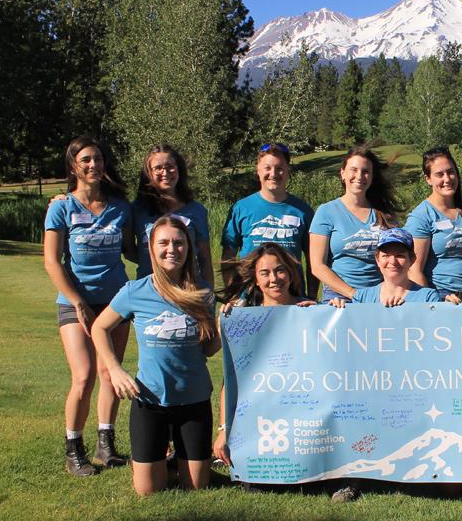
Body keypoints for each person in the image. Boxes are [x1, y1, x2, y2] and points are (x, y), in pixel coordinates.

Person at [90, 216, 221, 496]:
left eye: (179, 243)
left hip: (194, 400)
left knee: (197, 486)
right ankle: (162, 461)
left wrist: (222, 328)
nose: (172, 249)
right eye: (164, 243)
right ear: (151, 248)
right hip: (150, 401)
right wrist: (114, 370)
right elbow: (99, 327)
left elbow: (208, 350)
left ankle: (177, 460)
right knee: (148, 491)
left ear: (188, 248)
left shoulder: (203, 293)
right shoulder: (134, 291)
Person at [43, 136, 133, 476]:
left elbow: (132, 250)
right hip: (75, 301)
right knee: (83, 377)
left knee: (110, 373)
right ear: (73, 166)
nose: (94, 165)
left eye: (98, 159)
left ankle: (105, 445)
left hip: (115, 301)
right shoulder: (61, 207)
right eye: (86, 160)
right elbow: (52, 261)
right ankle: (73, 449)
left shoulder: (120, 208)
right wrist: (78, 302)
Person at [212, 243, 316, 470]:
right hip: (263, 416)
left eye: (280, 270)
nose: (274, 279)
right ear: (256, 280)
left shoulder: (311, 310)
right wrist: (224, 430)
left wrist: (333, 311)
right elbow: (231, 382)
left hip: (305, 413)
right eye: (265, 273)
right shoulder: (243, 317)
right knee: (256, 483)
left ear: (290, 273)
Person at [220, 143, 316, 300]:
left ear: (288, 170)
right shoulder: (241, 208)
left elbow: (313, 261)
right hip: (249, 300)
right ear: (258, 170)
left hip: (293, 299)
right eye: (267, 168)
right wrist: (233, 297)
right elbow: (228, 258)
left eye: (279, 168)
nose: (273, 174)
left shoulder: (303, 211)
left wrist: (311, 297)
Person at [309, 146, 402, 302]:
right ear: (342, 173)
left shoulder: (385, 214)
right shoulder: (326, 211)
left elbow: (398, 259)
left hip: (379, 297)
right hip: (338, 299)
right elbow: (317, 266)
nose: (359, 176)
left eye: (365, 171)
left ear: (372, 177)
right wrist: (353, 294)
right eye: (354, 170)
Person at [133, 144, 213, 286]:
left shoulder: (196, 210)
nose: (165, 173)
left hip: (188, 287)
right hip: (150, 289)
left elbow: (205, 259)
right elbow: (129, 250)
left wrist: (209, 292)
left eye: (170, 166)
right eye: (158, 168)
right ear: (149, 173)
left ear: (179, 169)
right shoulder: (136, 210)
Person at [405, 147, 462, 301]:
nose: (447, 179)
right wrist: (432, 303)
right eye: (439, 174)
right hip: (444, 295)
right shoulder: (421, 216)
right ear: (428, 179)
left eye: (451, 172)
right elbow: (414, 270)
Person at [330, 228, 443, 307]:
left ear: (412, 260)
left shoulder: (428, 298)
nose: (392, 261)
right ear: (377, 260)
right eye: (386, 256)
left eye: (400, 256)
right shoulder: (362, 298)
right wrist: (337, 310)